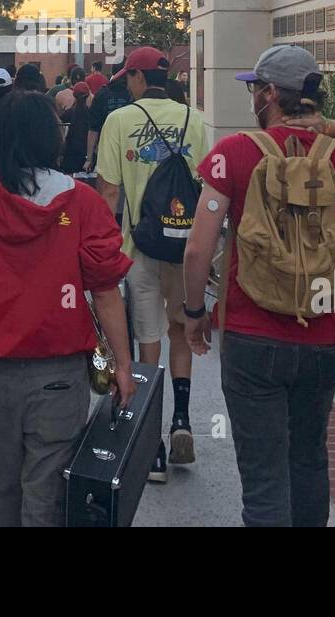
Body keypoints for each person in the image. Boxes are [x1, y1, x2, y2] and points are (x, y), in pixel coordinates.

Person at [182, 45, 335, 528]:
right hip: (323, 336)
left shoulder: (233, 154)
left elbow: (197, 250)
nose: (251, 97)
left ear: (269, 94)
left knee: (265, 480)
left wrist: (192, 313)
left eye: (255, 89)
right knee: (309, 460)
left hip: (252, 337)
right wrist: (319, 125)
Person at [0, 91, 134, 527]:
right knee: (46, 484)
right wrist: (121, 363)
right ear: (50, 139)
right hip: (59, 372)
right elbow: (106, 292)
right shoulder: (81, 202)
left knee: (2, 481)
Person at [95, 46, 209, 483]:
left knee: (147, 343)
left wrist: (105, 250)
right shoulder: (194, 120)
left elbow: (107, 194)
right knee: (182, 330)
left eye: (129, 77)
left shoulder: (119, 121)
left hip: (138, 249)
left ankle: (155, 448)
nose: (126, 84)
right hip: (184, 248)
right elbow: (205, 187)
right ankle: (182, 420)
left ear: (140, 79)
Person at [83, 57, 129, 171]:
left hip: (105, 152)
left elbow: (93, 129)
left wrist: (89, 159)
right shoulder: (133, 94)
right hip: (130, 153)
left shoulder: (102, 93)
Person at [59, 80, 92, 175]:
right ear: (88, 95)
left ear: (74, 95)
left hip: (69, 158)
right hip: (86, 158)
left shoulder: (67, 114)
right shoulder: (91, 115)